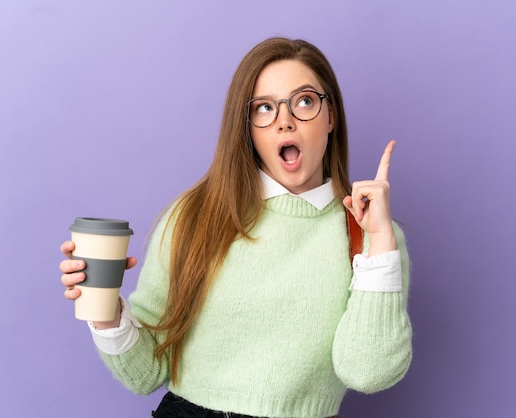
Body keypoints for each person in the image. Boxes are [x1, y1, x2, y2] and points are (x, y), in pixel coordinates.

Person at [60, 37, 412, 418]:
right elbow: (146, 374)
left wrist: (380, 243)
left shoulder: (371, 237)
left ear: (331, 117)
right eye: (264, 108)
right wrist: (106, 311)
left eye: (305, 101)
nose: (285, 120)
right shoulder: (193, 216)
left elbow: (368, 372)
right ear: (248, 128)